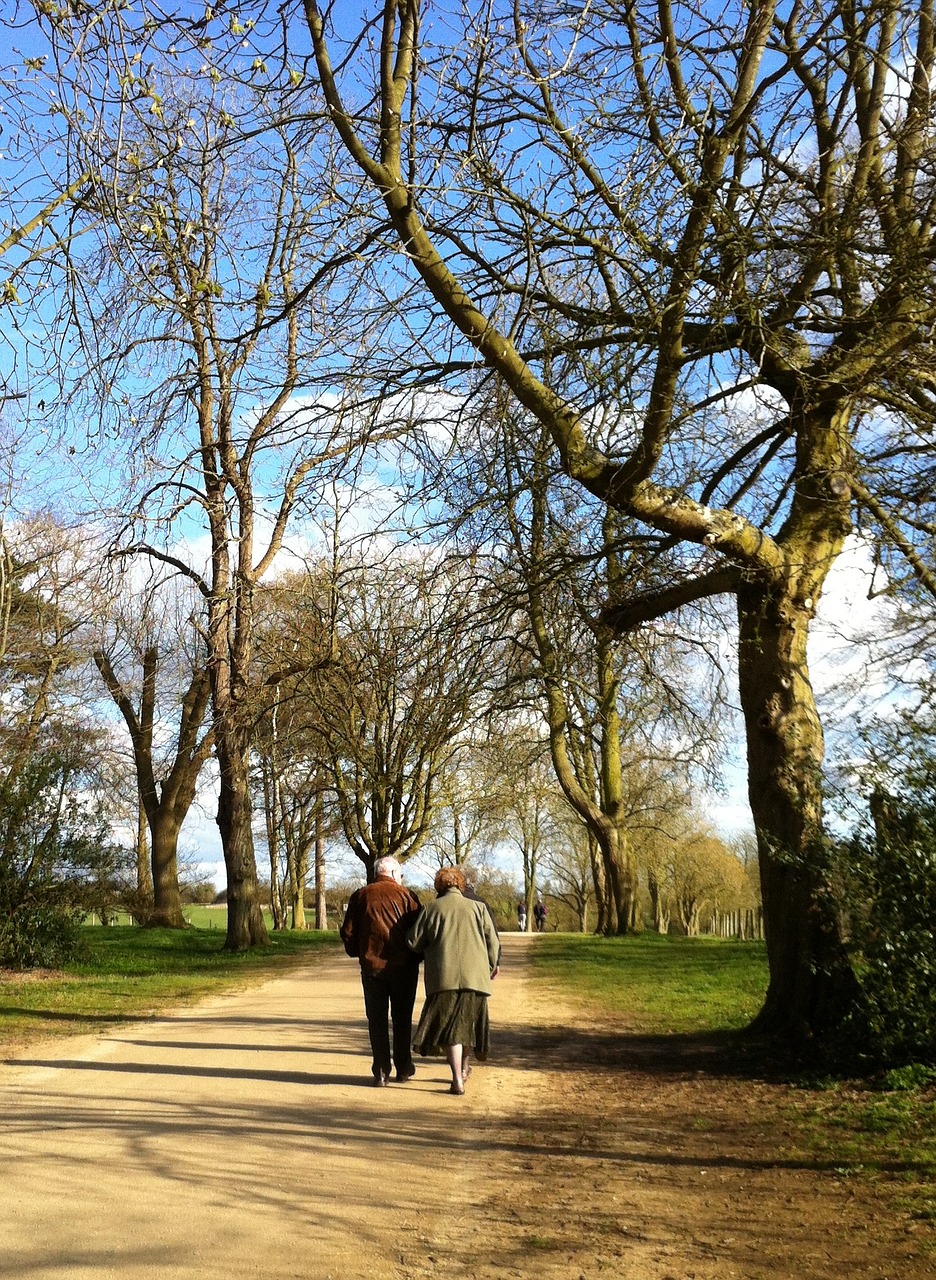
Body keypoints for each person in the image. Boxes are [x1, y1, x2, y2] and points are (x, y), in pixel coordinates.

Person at [407, 866, 501, 1096]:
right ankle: (466, 1066)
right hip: (475, 978)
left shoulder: (431, 908)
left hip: (443, 979)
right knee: (468, 1025)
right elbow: (493, 943)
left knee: (450, 1031)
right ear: (461, 884)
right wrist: (492, 965)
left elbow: (413, 941)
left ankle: (457, 1077)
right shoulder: (478, 908)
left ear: (439, 886)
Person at [340, 856, 421, 1087]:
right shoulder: (408, 896)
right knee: (402, 1019)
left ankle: (381, 1071)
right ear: (395, 874)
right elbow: (420, 932)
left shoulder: (361, 895)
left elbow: (348, 932)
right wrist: (415, 957)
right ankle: (404, 1067)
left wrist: (361, 953)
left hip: (372, 968)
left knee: (376, 1020)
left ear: (376, 872)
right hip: (404, 968)